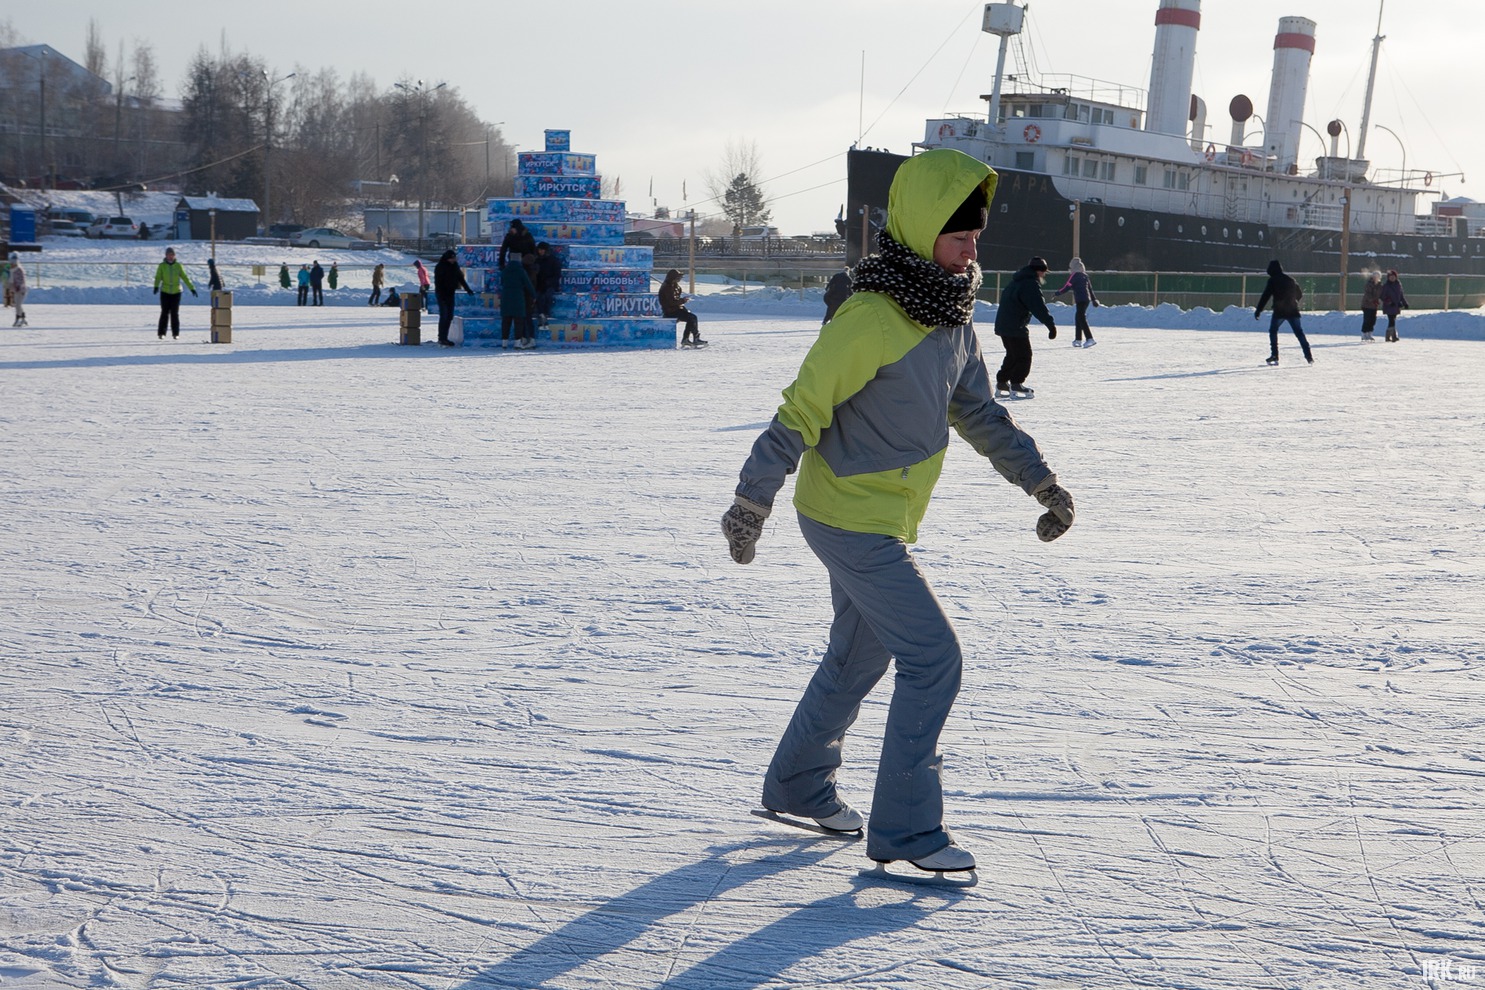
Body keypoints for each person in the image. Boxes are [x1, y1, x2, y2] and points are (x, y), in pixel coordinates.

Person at [721, 148, 1075, 876]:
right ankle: (908, 832)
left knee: (859, 654)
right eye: (957, 234)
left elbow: (977, 411)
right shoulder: (871, 317)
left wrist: (1038, 481)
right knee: (933, 658)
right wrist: (752, 497)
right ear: (919, 230)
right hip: (847, 515)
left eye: (976, 234)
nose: (971, 246)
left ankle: (797, 785)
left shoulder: (949, 315)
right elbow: (802, 407)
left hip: (883, 515)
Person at [993, 256, 1057, 397]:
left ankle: (1002, 382)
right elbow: (1038, 307)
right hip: (1015, 326)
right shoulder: (1029, 284)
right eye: (1044, 272)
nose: (1044, 275)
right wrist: (1050, 325)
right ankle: (1016, 384)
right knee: (1024, 356)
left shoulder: (1017, 281)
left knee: (1012, 355)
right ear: (1038, 271)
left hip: (1004, 324)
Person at [1254, 259, 1313, 365]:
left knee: (1273, 331)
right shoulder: (1290, 279)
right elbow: (1299, 293)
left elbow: (1265, 296)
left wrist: (1258, 310)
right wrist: (1293, 302)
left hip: (1279, 311)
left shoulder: (1272, 280)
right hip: (1292, 310)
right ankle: (1309, 356)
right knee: (1299, 333)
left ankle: (1275, 355)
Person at [1053, 257, 1099, 348]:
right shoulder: (1084, 275)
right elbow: (1090, 289)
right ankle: (1078, 340)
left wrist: (1057, 293)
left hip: (1080, 299)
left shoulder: (1074, 276)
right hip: (1086, 299)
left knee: (1081, 318)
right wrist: (1094, 300)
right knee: (1078, 317)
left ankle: (1090, 338)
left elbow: (1067, 287)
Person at [433, 249, 476, 347]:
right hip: (442, 294)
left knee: (449, 316)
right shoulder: (440, 267)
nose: (453, 260)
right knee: (443, 316)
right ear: (447, 258)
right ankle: (442, 338)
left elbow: (460, 278)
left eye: (454, 258)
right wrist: (441, 294)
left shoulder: (455, 267)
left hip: (450, 293)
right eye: (451, 259)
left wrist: (467, 289)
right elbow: (438, 283)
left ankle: (445, 337)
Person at [152, 246, 197, 339]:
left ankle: (175, 333)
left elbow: (185, 277)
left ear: (174, 255)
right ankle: (162, 333)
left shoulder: (178, 266)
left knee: (174, 313)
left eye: (172, 255)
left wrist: (192, 288)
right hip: (165, 291)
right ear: (166, 256)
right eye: (168, 255)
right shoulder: (162, 266)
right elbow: (158, 277)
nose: (170, 257)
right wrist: (156, 286)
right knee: (164, 312)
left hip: (176, 292)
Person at [660, 269, 705, 347]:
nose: (679, 279)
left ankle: (689, 338)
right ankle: (690, 338)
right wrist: (682, 301)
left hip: (675, 309)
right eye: (678, 277)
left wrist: (682, 305)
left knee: (691, 318)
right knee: (692, 318)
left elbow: (675, 300)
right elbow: (671, 302)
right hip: (670, 312)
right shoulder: (667, 287)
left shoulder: (675, 286)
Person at [500, 256, 537, 349]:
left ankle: (504, 343)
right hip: (518, 299)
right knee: (518, 322)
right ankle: (517, 343)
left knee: (506, 321)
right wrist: (534, 296)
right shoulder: (521, 271)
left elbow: (502, 282)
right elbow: (528, 284)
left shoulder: (505, 271)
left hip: (506, 298)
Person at [534, 242, 562, 327]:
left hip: (550, 285)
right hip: (538, 284)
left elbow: (557, 275)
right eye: (539, 250)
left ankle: (545, 315)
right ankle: (541, 315)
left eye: (542, 250)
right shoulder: (536, 260)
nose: (540, 251)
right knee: (538, 296)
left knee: (547, 296)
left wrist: (548, 282)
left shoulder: (553, 260)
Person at [1380, 268, 1409, 342]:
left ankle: (1391, 336)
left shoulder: (1398, 285)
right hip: (1389, 306)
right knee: (1391, 320)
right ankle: (1391, 336)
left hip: (1396, 306)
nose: (1392, 278)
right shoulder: (1386, 286)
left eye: (1394, 276)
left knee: (1393, 320)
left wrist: (1405, 303)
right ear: (1388, 277)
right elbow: (1383, 296)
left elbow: (1401, 295)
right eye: (1391, 277)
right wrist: (1389, 302)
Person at [1359, 270, 1383, 342]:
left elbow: (1381, 294)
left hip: (1374, 306)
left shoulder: (1380, 285)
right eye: (1375, 276)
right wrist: (1373, 300)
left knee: (1373, 320)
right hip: (1366, 305)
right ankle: (1364, 333)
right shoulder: (1369, 284)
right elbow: (1368, 294)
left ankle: (1370, 333)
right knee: (1367, 319)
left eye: (1377, 276)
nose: (1376, 278)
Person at [8, 252, 28, 327]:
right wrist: (10, 288)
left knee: (18, 305)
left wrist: (20, 288)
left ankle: (18, 318)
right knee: (17, 305)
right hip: (16, 290)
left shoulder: (19, 270)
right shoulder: (11, 270)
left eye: (12, 262)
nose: (11, 264)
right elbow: (11, 281)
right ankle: (23, 318)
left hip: (21, 290)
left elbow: (22, 281)